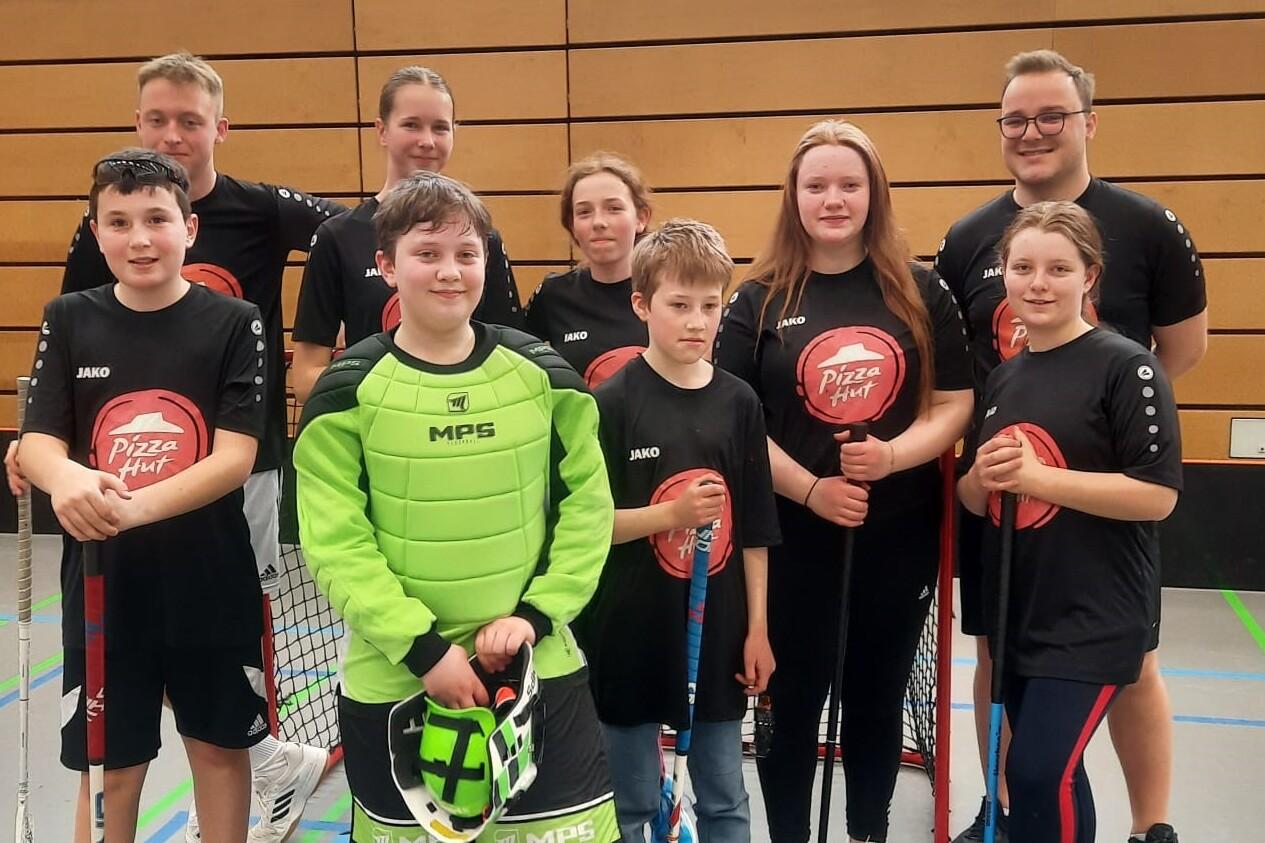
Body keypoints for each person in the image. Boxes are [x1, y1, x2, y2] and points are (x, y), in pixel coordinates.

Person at [292, 171, 619, 842]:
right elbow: (334, 539)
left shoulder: (546, 378)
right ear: (386, 265)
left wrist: (532, 617)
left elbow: (588, 510)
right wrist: (423, 650)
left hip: (536, 670)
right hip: (396, 681)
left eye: (466, 254)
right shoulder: (345, 391)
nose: (450, 272)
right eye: (427, 253)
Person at [936, 49, 1204, 843]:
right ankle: (1014, 805)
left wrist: (1097, 413)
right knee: (1015, 704)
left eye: (1050, 115)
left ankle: (1149, 825)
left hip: (1095, 541)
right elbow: (962, 378)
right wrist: (984, 476)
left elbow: (1176, 357)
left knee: (1121, 679)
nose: (1031, 131)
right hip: (1015, 538)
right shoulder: (968, 242)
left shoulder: (1145, 234)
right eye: (1014, 119)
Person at [715, 119, 973, 843]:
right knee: (789, 700)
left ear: (874, 194)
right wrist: (809, 489)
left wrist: (891, 457)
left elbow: (954, 403)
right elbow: (736, 421)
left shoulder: (922, 291)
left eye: (849, 184)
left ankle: (867, 830)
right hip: (790, 539)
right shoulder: (756, 299)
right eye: (816, 184)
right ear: (792, 196)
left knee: (874, 694)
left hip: (896, 537)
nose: (833, 198)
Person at [18, 149, 267, 842]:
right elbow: (37, 439)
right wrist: (67, 477)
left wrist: (131, 509)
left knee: (219, 750)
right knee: (109, 765)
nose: (140, 238)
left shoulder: (234, 321)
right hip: (103, 581)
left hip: (209, 578)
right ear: (95, 232)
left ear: (188, 228)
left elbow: (234, 456)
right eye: (119, 221)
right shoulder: (68, 318)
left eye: (157, 218)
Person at [958, 200, 1182, 842]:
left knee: (1034, 770)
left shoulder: (1125, 366)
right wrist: (980, 479)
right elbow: (980, 499)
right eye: (1022, 266)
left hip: (1096, 611)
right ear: (1003, 274)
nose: (1038, 282)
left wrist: (1038, 478)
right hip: (1024, 608)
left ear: (1090, 276)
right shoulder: (1004, 379)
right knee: (1050, 775)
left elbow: (1156, 494)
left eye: (1058, 268)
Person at [577, 219, 780, 842]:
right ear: (641, 305)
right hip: (628, 633)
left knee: (724, 797)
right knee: (633, 804)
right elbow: (587, 529)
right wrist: (670, 517)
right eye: (679, 305)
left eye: (710, 306)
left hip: (715, 637)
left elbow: (754, 530)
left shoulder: (739, 402)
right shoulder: (610, 403)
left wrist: (757, 630)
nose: (697, 321)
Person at [290, 65, 524, 403]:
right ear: (382, 131)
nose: (427, 141)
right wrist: (404, 393)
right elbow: (305, 378)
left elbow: (512, 360)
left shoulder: (484, 237)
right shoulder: (337, 236)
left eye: (440, 128)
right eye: (411, 125)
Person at [524, 152, 653, 388]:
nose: (599, 222)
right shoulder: (554, 294)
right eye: (584, 212)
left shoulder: (667, 291)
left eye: (613, 208)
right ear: (572, 225)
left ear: (641, 218)